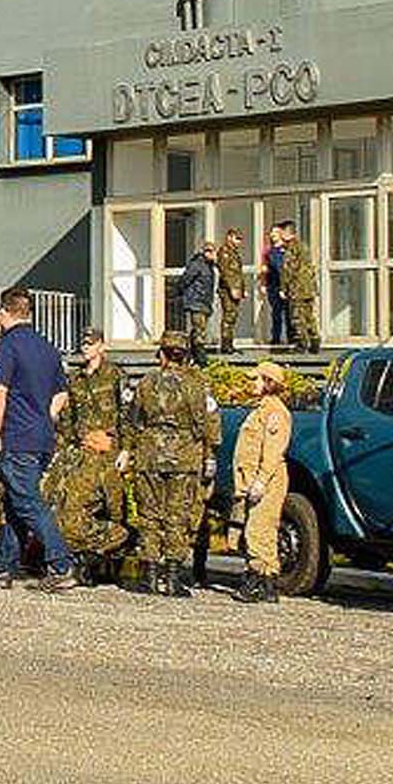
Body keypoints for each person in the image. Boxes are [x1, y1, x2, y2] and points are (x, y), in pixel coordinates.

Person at [0, 291, 74, 593]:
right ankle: (4, 567)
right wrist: (44, 416)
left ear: (2, 313)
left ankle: (61, 564)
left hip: (16, 436)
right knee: (15, 502)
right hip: (42, 436)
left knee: (28, 502)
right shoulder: (48, 348)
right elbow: (62, 393)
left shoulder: (7, 347)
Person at [127, 328, 220, 596]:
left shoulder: (146, 382)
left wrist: (133, 449)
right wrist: (208, 455)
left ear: (162, 355)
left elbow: (134, 419)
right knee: (177, 516)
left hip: (150, 456)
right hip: (183, 458)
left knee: (150, 515)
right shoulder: (197, 386)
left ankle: (149, 575)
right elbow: (208, 424)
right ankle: (173, 576)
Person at [46, 329, 131, 582]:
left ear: (102, 347)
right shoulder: (76, 379)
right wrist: (61, 450)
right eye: (83, 343)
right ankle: (84, 562)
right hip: (81, 452)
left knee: (112, 507)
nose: (85, 348)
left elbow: (126, 414)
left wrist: (124, 449)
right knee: (70, 505)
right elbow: (68, 420)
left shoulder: (115, 375)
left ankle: (114, 558)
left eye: (90, 344)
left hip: (107, 451)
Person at [230, 362, 295, 603]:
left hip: (267, 480)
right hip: (255, 479)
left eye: (256, 379)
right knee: (262, 529)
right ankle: (268, 583)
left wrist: (261, 481)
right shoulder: (261, 410)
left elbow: (273, 450)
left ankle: (256, 579)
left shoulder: (275, 412)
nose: (251, 384)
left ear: (269, 383)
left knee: (257, 530)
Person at [171, 240, 220, 360]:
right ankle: (200, 356)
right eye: (212, 252)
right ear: (206, 252)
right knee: (199, 329)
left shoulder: (209, 266)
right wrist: (177, 292)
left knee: (199, 329)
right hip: (196, 301)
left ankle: (192, 352)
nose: (214, 256)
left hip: (204, 301)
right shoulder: (197, 264)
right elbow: (185, 279)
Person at [281, 221, 324, 355]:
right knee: (309, 316)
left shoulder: (292, 248)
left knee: (297, 316)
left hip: (297, 288)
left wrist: (284, 288)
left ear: (288, 233)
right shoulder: (303, 246)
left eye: (282, 232)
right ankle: (315, 341)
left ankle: (301, 344)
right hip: (308, 288)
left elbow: (289, 269)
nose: (281, 235)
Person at [215, 228, 248, 356]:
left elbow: (238, 274)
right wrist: (232, 289)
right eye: (237, 239)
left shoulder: (235, 253)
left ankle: (230, 343)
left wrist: (242, 289)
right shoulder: (224, 251)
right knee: (228, 317)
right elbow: (226, 273)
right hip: (227, 290)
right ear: (229, 237)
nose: (238, 242)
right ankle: (226, 345)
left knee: (233, 317)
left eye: (240, 239)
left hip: (235, 289)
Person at [263, 225, 291, 346]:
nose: (272, 234)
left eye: (275, 232)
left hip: (285, 285)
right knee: (276, 313)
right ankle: (276, 338)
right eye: (271, 232)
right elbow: (266, 268)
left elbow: (284, 269)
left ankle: (292, 337)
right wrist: (263, 283)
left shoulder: (287, 249)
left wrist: (284, 288)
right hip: (273, 286)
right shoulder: (269, 251)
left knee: (289, 313)